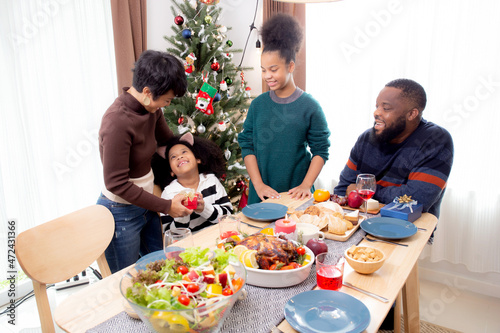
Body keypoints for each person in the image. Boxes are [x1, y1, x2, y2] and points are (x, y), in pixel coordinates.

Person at [97, 50, 193, 273]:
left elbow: (168, 141)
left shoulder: (151, 109)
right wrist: (167, 206)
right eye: (167, 100)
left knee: (159, 270)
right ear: (148, 92)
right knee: (127, 280)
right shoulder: (116, 122)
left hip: (146, 205)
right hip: (120, 213)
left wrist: (192, 156)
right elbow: (116, 184)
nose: (166, 105)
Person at [238, 13, 331, 204]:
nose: (267, 76)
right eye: (263, 70)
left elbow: (321, 150)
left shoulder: (310, 106)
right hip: (262, 194)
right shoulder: (258, 105)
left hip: (296, 195)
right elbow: (247, 146)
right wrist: (258, 185)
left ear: (290, 66)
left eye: (273, 69)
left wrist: (306, 185)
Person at [334, 78, 454, 218]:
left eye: (386, 108)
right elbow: (343, 188)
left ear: (411, 114)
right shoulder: (366, 139)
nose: (376, 113)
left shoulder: (436, 140)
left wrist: (365, 190)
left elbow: (417, 200)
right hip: (359, 223)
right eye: (377, 106)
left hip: (408, 231)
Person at [152, 132, 233, 232]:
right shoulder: (169, 194)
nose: (179, 157)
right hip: (190, 245)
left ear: (198, 159)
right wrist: (183, 214)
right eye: (173, 157)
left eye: (184, 152)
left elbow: (228, 216)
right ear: (171, 171)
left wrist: (204, 208)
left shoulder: (211, 181)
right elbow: (170, 234)